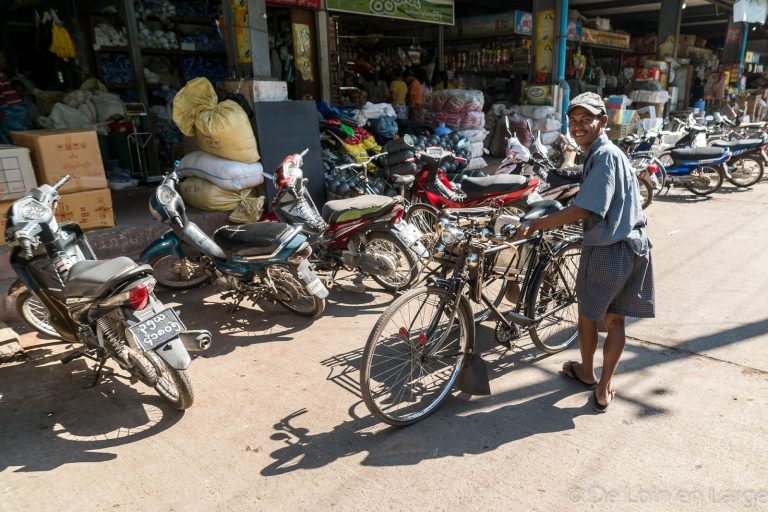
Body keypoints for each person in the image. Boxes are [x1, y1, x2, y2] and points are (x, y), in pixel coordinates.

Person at [515, 92, 655, 413]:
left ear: (602, 122)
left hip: (608, 249)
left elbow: (587, 207)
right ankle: (603, 387)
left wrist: (538, 223)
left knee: (588, 315)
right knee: (615, 319)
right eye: (573, 120)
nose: (578, 126)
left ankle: (590, 374)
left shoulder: (604, 155)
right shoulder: (607, 153)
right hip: (634, 246)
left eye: (585, 120)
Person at [0, 50, 32, 144]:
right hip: (11, 114)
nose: (4, 60)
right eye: (1, 57)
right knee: (19, 139)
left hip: (14, 112)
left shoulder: (2, 75)